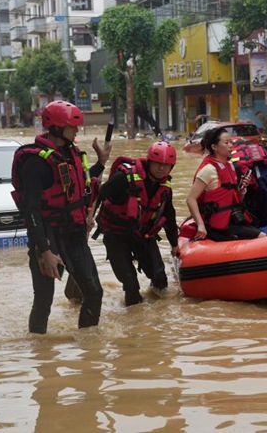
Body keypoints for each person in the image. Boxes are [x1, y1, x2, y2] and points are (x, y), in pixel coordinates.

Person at [11, 100, 110, 334]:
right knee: (44, 300)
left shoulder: (70, 152)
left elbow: (82, 185)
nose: (77, 131)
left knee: (94, 292)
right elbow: (32, 211)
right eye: (72, 127)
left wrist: (102, 163)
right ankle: (41, 352)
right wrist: (44, 251)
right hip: (47, 236)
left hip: (73, 233)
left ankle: (87, 349)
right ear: (56, 127)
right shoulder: (35, 163)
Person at [94, 141, 180, 306]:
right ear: (149, 161)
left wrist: (174, 244)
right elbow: (100, 194)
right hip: (117, 236)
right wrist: (89, 217)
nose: (162, 169)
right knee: (131, 285)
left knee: (160, 278)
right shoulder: (124, 178)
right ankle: (133, 325)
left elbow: (169, 215)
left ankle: (159, 318)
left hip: (142, 235)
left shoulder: (165, 187)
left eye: (166, 165)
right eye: (158, 164)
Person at [185, 127, 266, 242]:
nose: (231, 146)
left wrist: (242, 189)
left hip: (231, 219)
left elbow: (235, 199)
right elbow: (190, 199)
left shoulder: (230, 166)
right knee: (262, 237)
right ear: (214, 147)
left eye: (231, 142)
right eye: (226, 143)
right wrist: (200, 225)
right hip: (215, 225)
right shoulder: (208, 170)